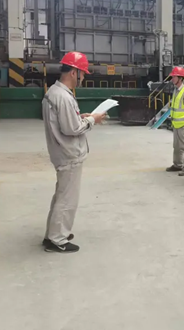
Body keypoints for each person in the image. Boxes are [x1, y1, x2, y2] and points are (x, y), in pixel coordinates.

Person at [42, 51, 106, 253]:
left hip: (61, 152)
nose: (84, 77)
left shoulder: (54, 93)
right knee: (67, 199)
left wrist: (82, 117)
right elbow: (72, 129)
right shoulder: (63, 97)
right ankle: (57, 240)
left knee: (61, 196)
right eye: (83, 73)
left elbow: (66, 121)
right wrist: (92, 120)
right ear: (73, 72)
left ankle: (53, 233)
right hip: (69, 154)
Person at [166, 66, 184, 176]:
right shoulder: (176, 90)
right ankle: (177, 164)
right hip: (176, 124)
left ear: (180, 78)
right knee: (176, 147)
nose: (172, 79)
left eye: (174, 77)